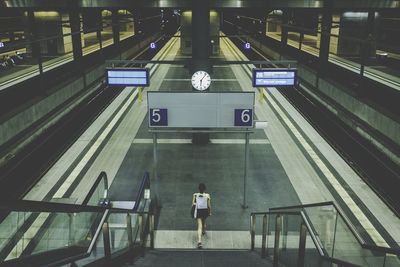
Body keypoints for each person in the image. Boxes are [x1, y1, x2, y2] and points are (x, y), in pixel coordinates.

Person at [192, 183, 211, 249]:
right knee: (204, 221)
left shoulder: (195, 195)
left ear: (198, 189)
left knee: (199, 225)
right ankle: (204, 231)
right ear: (205, 189)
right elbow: (209, 205)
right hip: (205, 211)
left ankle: (199, 241)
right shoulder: (207, 195)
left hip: (198, 211)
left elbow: (193, 205)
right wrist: (210, 212)